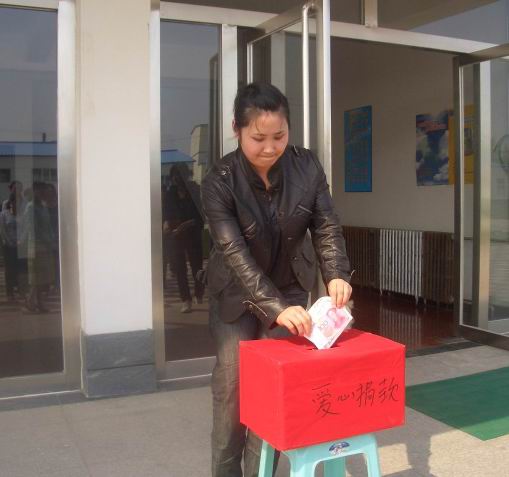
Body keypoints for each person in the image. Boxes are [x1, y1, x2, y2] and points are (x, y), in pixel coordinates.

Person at [201, 82, 352, 477]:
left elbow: (326, 225)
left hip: (288, 287)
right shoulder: (219, 180)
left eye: (279, 136)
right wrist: (276, 308)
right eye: (258, 138)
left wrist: (336, 273)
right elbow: (234, 253)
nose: (270, 148)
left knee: (273, 391)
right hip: (234, 293)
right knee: (232, 388)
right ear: (236, 129)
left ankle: (261, 472)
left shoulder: (307, 166)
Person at [163, 163, 204, 313]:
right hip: (176, 236)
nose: (176, 178)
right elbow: (167, 213)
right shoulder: (170, 194)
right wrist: (168, 224)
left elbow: (201, 214)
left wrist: (192, 223)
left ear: (186, 175)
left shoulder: (195, 190)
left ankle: (199, 293)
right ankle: (186, 300)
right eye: (174, 175)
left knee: (197, 268)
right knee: (180, 269)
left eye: (179, 175)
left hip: (193, 234)